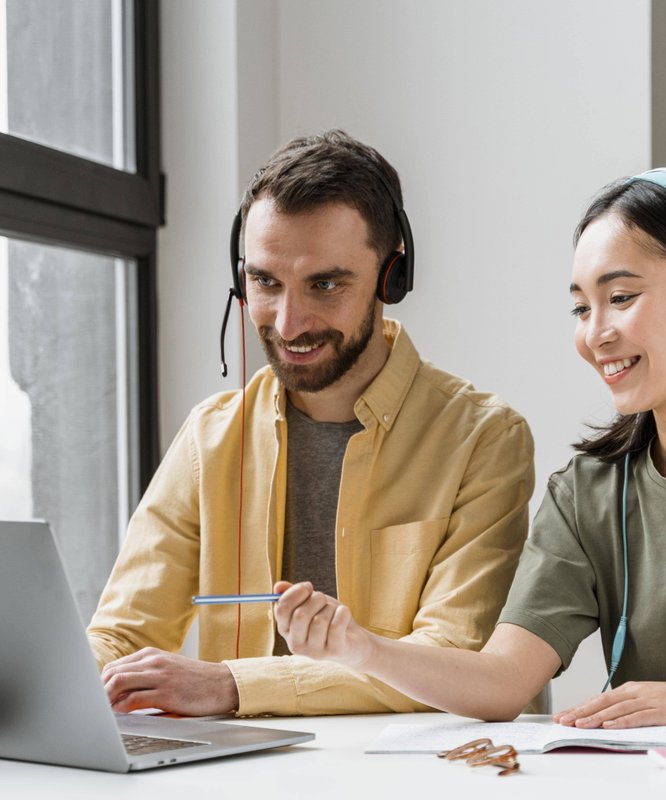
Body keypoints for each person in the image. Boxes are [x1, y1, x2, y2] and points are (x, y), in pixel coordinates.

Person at [273, 167, 666, 727]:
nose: (595, 333)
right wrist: (361, 649)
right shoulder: (588, 493)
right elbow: (502, 681)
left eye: (621, 296)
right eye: (582, 308)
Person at [87, 130, 534, 717]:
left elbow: (452, 658)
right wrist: (61, 681)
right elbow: (123, 635)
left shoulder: (484, 437)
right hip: (241, 773)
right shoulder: (211, 438)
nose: (289, 322)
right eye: (265, 283)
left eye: (325, 284)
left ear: (390, 276)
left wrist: (232, 685)